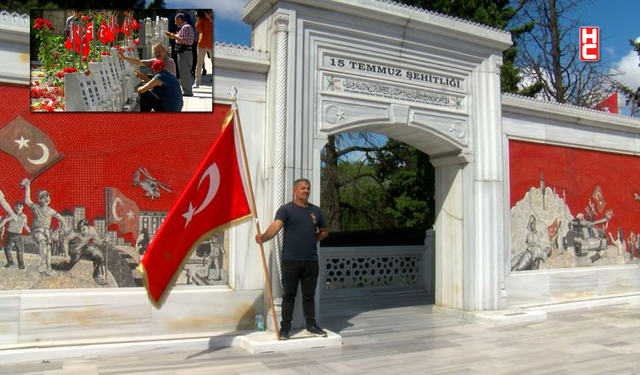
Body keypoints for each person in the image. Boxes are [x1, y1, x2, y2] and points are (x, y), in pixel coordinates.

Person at [255, 178, 329, 340]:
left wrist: (312, 239)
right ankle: (285, 328)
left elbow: (324, 231)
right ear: (294, 191)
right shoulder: (286, 210)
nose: (306, 191)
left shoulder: (316, 211)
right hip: (291, 260)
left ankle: (311, 325)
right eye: (302, 188)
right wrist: (264, 237)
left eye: (308, 188)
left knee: (309, 295)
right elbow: (275, 226)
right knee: (289, 295)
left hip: (310, 261)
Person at [21, 179, 69, 275]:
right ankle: (43, 263)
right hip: (37, 232)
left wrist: (65, 226)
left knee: (48, 248)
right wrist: (27, 186)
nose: (46, 198)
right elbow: (27, 200)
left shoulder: (51, 210)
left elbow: (61, 218)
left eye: (47, 196)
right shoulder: (35, 207)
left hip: (47, 232)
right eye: (43, 197)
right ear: (39, 199)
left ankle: (48, 267)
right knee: (43, 242)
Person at [62, 219, 107, 285]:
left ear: (88, 227)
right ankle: (52, 266)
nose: (82, 232)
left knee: (98, 255)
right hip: (76, 250)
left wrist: (104, 241)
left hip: (86, 247)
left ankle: (98, 275)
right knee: (67, 267)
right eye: (80, 230)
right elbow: (65, 242)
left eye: (84, 229)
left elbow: (97, 242)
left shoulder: (92, 230)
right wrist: (67, 255)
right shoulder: (74, 232)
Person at [167, 13, 195, 96]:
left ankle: (187, 91)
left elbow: (184, 41)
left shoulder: (185, 27)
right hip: (187, 52)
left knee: (184, 72)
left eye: (176, 21)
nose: (175, 23)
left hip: (185, 52)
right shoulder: (186, 27)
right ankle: (187, 90)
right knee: (185, 72)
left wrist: (174, 37)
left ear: (180, 19)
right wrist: (176, 35)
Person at [0, 192, 30, 269]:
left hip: (18, 235)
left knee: (19, 249)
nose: (18, 207)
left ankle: (21, 264)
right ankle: (10, 261)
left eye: (20, 206)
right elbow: (3, 222)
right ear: (14, 206)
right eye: (16, 205)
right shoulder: (10, 214)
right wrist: (7, 219)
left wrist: (30, 231)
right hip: (9, 234)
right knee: (7, 248)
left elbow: (25, 225)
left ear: (23, 207)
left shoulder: (24, 216)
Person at [194, 10, 213, 89]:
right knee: (199, 63)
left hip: (211, 43)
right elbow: (198, 29)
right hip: (202, 43)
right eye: (207, 11)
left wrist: (209, 18)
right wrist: (197, 18)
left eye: (209, 12)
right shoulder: (202, 18)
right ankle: (197, 81)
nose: (207, 13)